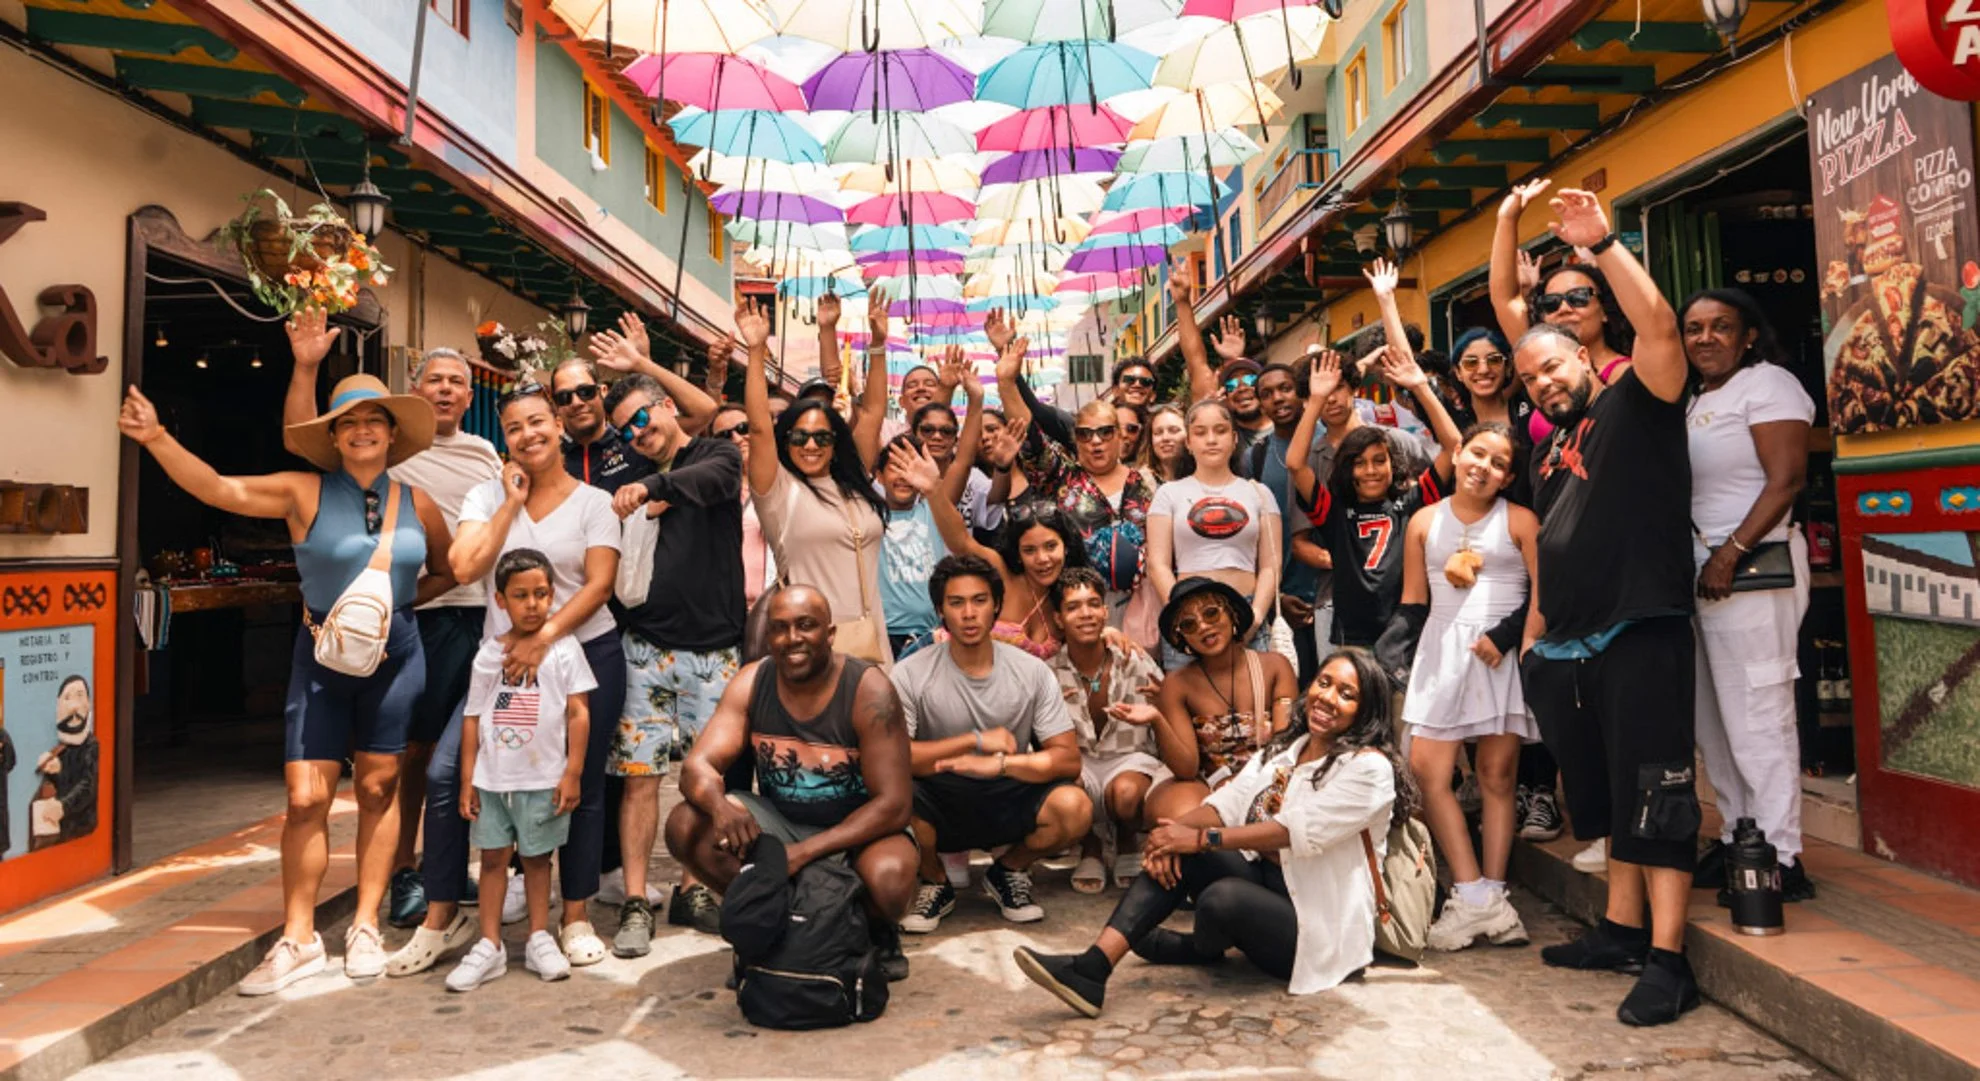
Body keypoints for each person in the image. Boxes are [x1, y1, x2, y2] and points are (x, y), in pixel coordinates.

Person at [119, 367, 454, 994]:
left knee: (380, 789)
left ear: (390, 433)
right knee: (305, 798)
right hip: (320, 652)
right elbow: (218, 489)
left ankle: (363, 926)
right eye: (347, 422)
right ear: (333, 436)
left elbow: (448, 568)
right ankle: (298, 937)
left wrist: (391, 608)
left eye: (372, 420)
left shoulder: (420, 502)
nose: (360, 430)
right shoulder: (303, 491)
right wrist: (157, 438)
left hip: (397, 651)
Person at [1513, 187, 1700, 1027]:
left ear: (1586, 353)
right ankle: (1622, 930)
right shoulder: (1553, 448)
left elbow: (1660, 329)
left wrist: (1607, 245)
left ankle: (1669, 959)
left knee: (1657, 792)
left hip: (1644, 626)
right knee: (1618, 794)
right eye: (1529, 377)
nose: (1543, 381)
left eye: (1552, 363)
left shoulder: (1640, 403)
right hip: (1578, 644)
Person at [1013, 648, 1413, 1015]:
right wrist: (1169, 836)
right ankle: (1093, 967)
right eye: (1324, 683)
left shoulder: (1368, 769)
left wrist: (1202, 838)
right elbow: (1227, 804)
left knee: (1223, 900)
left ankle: (1199, 948)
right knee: (1181, 849)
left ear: (1367, 711)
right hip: (1274, 884)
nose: (1328, 697)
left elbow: (1293, 830)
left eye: (1348, 694)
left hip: (1320, 928)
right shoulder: (1287, 748)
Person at [282, 331, 504, 929]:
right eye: (436, 380)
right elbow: (302, 439)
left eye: (458, 382)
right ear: (417, 392)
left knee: (468, 751)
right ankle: (407, 871)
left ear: (468, 393)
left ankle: (456, 864)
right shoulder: (391, 451)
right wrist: (307, 366)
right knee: (409, 754)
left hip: (476, 611)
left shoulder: (486, 453)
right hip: (407, 619)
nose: (448, 390)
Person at [433, 385, 624, 971]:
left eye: (538, 421)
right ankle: (441, 918)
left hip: (583, 655)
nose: (527, 435)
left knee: (579, 787)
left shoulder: (594, 501)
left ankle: (575, 916)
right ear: (505, 438)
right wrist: (510, 505)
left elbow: (599, 585)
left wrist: (543, 639)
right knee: (450, 777)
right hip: (504, 671)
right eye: (514, 427)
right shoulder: (485, 493)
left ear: (559, 426)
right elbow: (464, 566)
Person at [663, 585, 919, 981]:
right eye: (780, 628)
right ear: (768, 638)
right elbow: (697, 764)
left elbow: (894, 804)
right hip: (781, 820)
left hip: (859, 829)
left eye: (806, 626)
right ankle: (772, 929)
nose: (792, 638)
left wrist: (800, 854)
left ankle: (870, 932)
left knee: (889, 876)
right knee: (686, 824)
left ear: (830, 634)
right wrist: (720, 806)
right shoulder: (753, 680)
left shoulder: (869, 689)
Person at [597, 373, 746, 952]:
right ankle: (637, 899)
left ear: (665, 407)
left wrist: (655, 486)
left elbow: (712, 480)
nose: (638, 433)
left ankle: (694, 888)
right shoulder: (625, 478)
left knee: (705, 781)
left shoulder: (714, 453)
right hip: (646, 650)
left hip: (715, 650)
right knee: (638, 781)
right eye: (626, 430)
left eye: (642, 417)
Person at [1678, 289, 1816, 904]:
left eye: (1721, 327)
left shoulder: (1771, 385)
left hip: (1751, 572)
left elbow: (1786, 479)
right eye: (1693, 328)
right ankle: (1741, 840)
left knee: (1760, 715)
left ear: (1749, 335)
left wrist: (1730, 554)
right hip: (1700, 576)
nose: (1705, 338)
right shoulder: (1696, 399)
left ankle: (1783, 855)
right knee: (1714, 722)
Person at [1385, 423, 1539, 951]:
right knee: (1429, 774)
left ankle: (1489, 896)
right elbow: (1412, 599)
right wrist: (1390, 658)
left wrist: (1509, 636)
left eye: (1499, 463)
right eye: (1477, 453)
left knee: (1498, 778)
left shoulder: (1521, 521)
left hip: (1500, 655)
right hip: (1442, 651)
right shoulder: (1424, 521)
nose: (1484, 467)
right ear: (1457, 452)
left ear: (1510, 476)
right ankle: (1477, 896)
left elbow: (1544, 594)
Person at [892, 555, 1092, 932]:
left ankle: (1009, 870)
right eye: (956, 603)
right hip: (939, 793)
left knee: (1075, 805)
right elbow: (895, 759)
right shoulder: (909, 673)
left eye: (979, 600)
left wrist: (1000, 765)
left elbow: (1067, 760)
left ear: (997, 605)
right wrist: (973, 742)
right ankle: (935, 881)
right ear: (940, 610)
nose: (969, 613)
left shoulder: (1031, 671)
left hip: (1007, 790)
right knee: (890, 795)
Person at [446, 550, 595, 991]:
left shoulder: (566, 651)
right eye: (520, 595)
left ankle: (537, 937)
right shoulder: (488, 655)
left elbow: (578, 714)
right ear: (500, 600)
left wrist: (572, 773)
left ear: (553, 595)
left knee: (536, 859)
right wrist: (467, 780)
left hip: (543, 779)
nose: (532, 604)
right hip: (493, 781)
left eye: (541, 594)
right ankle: (489, 944)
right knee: (492, 859)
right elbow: (472, 717)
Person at [741, 296, 892, 665]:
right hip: (810, 650)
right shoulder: (778, 491)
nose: (811, 445)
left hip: (872, 644)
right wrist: (757, 351)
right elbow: (760, 427)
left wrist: (878, 347)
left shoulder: (854, 484)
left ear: (835, 443)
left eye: (822, 437)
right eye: (799, 437)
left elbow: (872, 412)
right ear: (786, 441)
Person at [1293, 347, 1461, 649]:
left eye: (1379, 461)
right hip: (1351, 639)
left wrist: (1420, 387)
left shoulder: (1409, 503)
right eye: (1359, 463)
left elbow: (1453, 448)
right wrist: (1315, 399)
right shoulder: (1336, 513)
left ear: (1393, 464)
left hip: (1405, 635)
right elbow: (1295, 464)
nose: (1370, 471)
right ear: (1346, 469)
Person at [995, 327, 1155, 612]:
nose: (1095, 441)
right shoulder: (1061, 476)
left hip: (1143, 608)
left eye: (1105, 433)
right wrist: (1007, 383)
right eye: (1084, 434)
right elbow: (1029, 434)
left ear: (1121, 436)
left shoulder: (1147, 484)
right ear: (1075, 440)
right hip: (1076, 607)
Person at [1048, 569, 1177, 893]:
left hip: (1129, 759)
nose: (1086, 614)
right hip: (1080, 762)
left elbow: (1165, 708)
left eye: (1093, 604)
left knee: (1125, 794)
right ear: (1059, 619)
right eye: (1073, 607)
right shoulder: (1048, 672)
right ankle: (1089, 846)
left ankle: (1126, 839)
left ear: (1106, 611)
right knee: (1067, 779)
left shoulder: (1133, 658)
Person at [1492, 179, 1637, 444]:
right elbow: (1505, 299)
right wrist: (1507, 219)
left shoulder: (1626, 373)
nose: (1564, 308)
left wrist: (1600, 244)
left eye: (1578, 298)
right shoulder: (1539, 360)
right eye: (1551, 303)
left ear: (1604, 310)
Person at [1148, 577, 1297, 824]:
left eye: (1211, 613)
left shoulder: (1275, 666)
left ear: (1231, 615)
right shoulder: (1177, 683)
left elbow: (1284, 749)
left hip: (1270, 776)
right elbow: (1186, 768)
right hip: (1209, 785)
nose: (1204, 627)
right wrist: (1156, 718)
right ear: (1182, 637)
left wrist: (1245, 785)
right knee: (1176, 813)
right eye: (1189, 624)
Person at [1146, 400, 1281, 670]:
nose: (1211, 440)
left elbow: (1271, 565)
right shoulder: (1168, 494)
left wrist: (1254, 618)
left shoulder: (1259, 493)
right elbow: (1157, 564)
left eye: (1220, 431)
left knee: (1253, 707)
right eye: (1200, 432)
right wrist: (1183, 615)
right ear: (1188, 442)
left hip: (1247, 611)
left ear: (1233, 439)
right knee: (1190, 709)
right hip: (1187, 617)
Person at [1173, 273, 1272, 448]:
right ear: (1224, 395)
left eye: (1250, 380)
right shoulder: (1222, 437)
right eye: (1231, 385)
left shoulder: (1287, 423)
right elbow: (1196, 363)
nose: (1241, 388)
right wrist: (1182, 302)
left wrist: (1235, 358)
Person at [709, 404, 776, 607]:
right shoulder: (713, 491)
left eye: (743, 428)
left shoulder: (787, 481)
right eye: (724, 436)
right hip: (727, 610)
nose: (737, 439)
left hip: (777, 607)